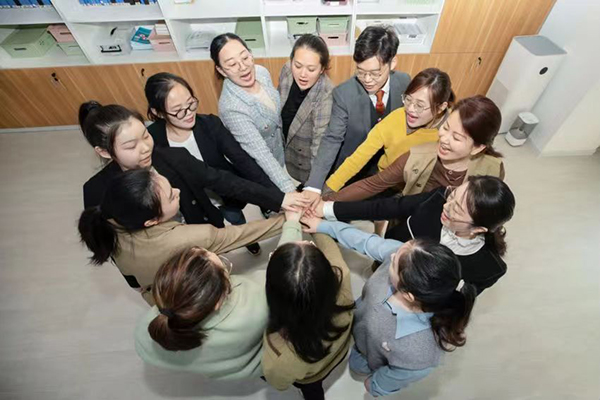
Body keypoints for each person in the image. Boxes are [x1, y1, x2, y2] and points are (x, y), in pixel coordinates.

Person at [302, 216, 477, 397]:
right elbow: (366, 241)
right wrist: (324, 226)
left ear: (408, 294)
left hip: (369, 354)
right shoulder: (407, 257)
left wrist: (376, 385)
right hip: (359, 328)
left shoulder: (421, 353)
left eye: (393, 264)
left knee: (358, 366)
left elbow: (395, 377)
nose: (391, 255)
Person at [80, 102, 307, 228]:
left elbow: (224, 180)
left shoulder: (174, 157)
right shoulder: (95, 193)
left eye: (146, 136)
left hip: (198, 230)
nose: (145, 148)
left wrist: (280, 199)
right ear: (104, 152)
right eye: (131, 146)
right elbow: (115, 244)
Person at [78, 169, 288, 304]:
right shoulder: (188, 239)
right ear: (151, 221)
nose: (177, 191)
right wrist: (289, 219)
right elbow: (242, 234)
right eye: (171, 196)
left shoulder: (111, 223)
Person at [144, 72, 283, 254]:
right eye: (178, 110)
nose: (189, 113)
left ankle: (249, 241)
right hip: (193, 204)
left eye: (191, 103)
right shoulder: (152, 139)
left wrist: (279, 196)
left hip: (226, 195)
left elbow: (243, 161)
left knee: (236, 219)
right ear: (158, 112)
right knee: (211, 237)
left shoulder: (210, 124)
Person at [317, 176, 516, 294]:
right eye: (453, 196)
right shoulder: (437, 198)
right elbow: (385, 207)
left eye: (457, 210)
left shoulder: (489, 269)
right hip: (384, 260)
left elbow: (454, 304)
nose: (446, 206)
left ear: (478, 229)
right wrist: (326, 209)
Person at [302, 25, 411, 205]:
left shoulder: (404, 82)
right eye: (360, 72)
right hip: (351, 172)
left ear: (392, 63)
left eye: (375, 73)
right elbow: (332, 139)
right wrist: (314, 186)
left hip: (387, 173)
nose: (367, 80)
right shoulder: (344, 93)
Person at [325, 95, 505, 201]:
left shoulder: (493, 170)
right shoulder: (416, 156)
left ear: (478, 148)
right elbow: (373, 184)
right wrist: (325, 202)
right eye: (445, 128)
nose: (443, 139)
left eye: (456, 137)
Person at [133, 246, 268, 379]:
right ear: (217, 303)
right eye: (224, 266)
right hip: (263, 363)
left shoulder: (145, 332)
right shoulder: (255, 308)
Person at [262, 210, 354, 399]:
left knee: (312, 392)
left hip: (311, 376)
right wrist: (315, 221)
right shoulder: (342, 276)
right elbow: (330, 248)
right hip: (339, 353)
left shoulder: (281, 358)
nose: (306, 242)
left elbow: (279, 383)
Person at [325, 68, 454, 192]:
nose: (410, 109)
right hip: (384, 185)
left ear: (441, 107)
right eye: (408, 99)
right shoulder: (395, 118)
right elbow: (359, 157)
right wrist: (329, 188)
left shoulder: (452, 132)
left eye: (419, 105)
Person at [212, 33, 296, 192]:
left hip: (281, 153)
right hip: (262, 168)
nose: (243, 67)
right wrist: (290, 191)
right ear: (221, 70)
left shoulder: (261, 72)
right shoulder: (232, 108)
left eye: (245, 57)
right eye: (232, 64)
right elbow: (260, 154)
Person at [278, 34, 334, 184]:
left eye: (311, 69)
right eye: (297, 66)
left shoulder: (325, 95)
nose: (303, 74)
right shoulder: (287, 70)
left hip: (303, 169)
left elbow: (319, 147)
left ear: (322, 69)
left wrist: (313, 186)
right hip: (281, 155)